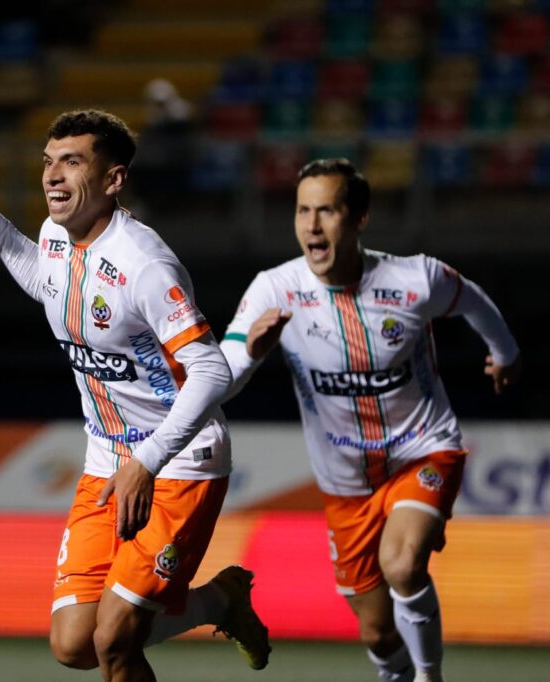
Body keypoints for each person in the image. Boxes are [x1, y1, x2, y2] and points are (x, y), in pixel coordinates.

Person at [0, 109, 270, 681]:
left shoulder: (145, 264)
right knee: (76, 645)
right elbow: (43, 276)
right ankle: (220, 601)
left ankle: (206, 605)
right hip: (105, 459)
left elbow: (211, 372)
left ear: (114, 180)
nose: (52, 176)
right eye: (48, 162)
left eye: (71, 162)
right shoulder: (53, 235)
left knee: (116, 638)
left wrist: (147, 462)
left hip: (180, 461)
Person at [219, 158, 522, 682]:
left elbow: (472, 298)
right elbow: (219, 376)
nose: (312, 226)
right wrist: (251, 351)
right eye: (303, 211)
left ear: (358, 218)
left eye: (328, 211)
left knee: (403, 565)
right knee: (377, 633)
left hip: (423, 449)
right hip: (347, 483)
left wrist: (506, 352)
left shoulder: (413, 279)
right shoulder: (274, 289)